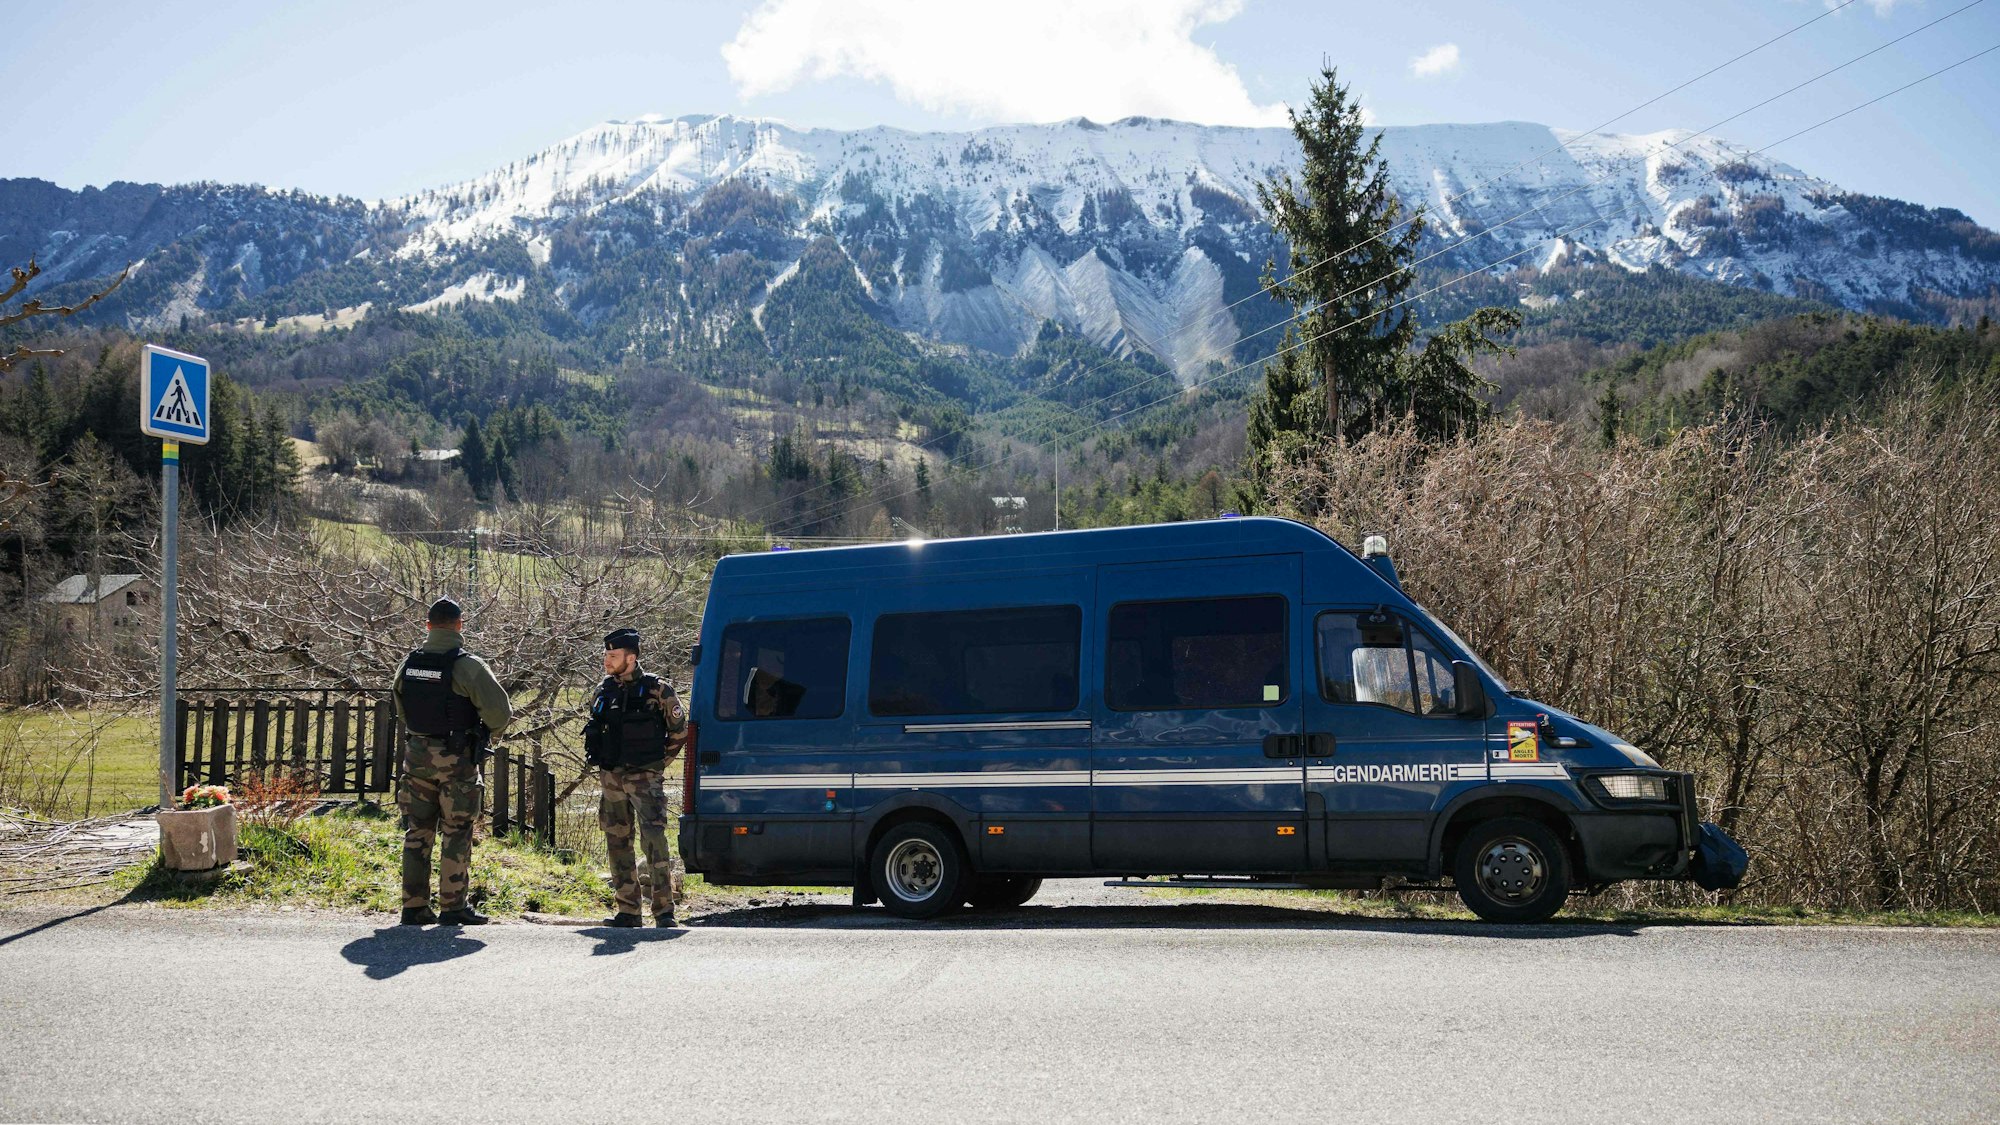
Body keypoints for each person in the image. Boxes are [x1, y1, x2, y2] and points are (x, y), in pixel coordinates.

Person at [391, 597, 513, 926]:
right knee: (457, 830)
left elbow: (400, 706)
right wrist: (485, 732)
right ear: (460, 625)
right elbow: (500, 713)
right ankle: (453, 906)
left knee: (417, 831)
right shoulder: (468, 666)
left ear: (427, 625)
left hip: (416, 756)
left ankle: (414, 907)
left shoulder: (409, 663)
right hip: (456, 758)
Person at [586, 627, 688, 928]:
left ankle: (664, 911)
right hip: (612, 778)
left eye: (613, 655)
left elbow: (679, 731)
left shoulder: (658, 690)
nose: (607, 660)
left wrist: (657, 764)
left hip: (645, 779)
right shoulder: (603, 690)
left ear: (631, 658)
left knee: (654, 841)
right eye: (606, 654)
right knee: (617, 842)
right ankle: (628, 911)